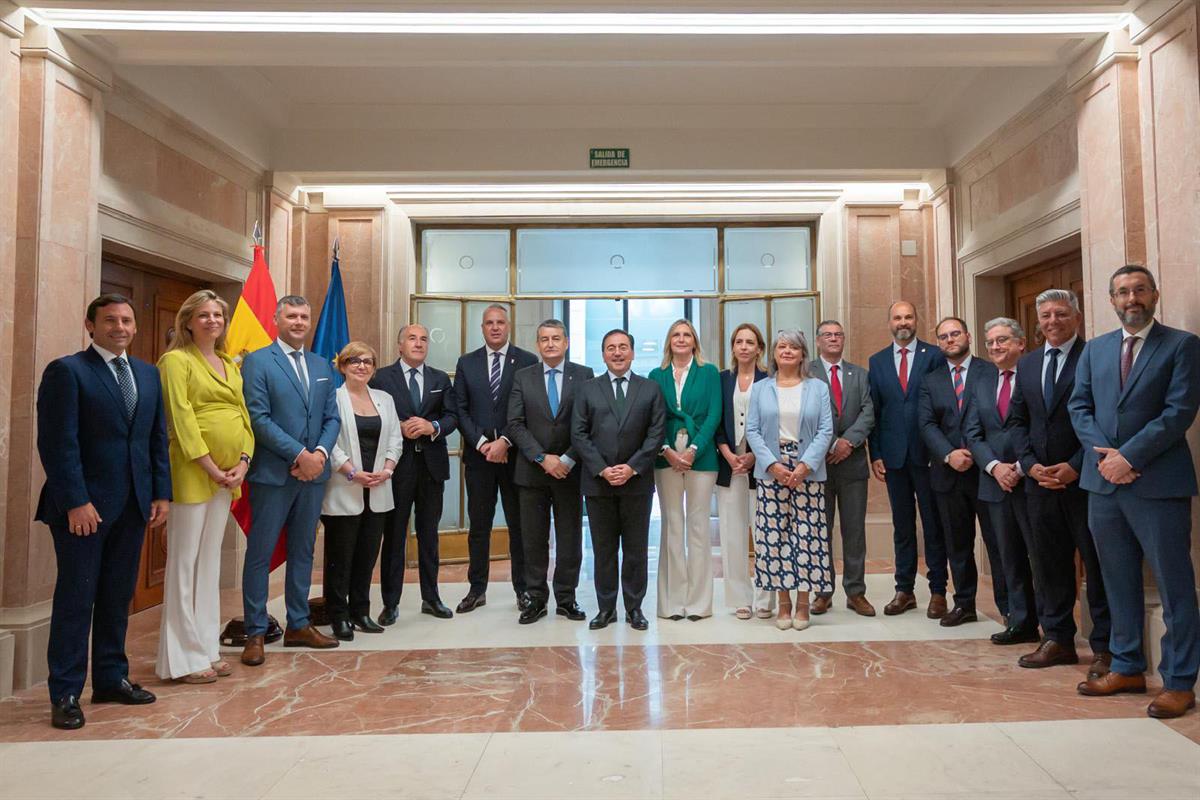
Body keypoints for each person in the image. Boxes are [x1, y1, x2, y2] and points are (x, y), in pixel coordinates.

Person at [1070, 265, 1200, 719]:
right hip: (1102, 486)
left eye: (1139, 290)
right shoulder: (1096, 350)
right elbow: (1079, 406)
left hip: (1158, 483)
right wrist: (1106, 458)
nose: (1131, 298)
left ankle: (1180, 680)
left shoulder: (1182, 345)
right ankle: (1126, 665)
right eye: (1123, 292)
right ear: (1111, 300)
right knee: (1115, 578)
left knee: (1174, 584)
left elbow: (1178, 410)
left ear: (1154, 294)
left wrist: (1130, 457)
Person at [36, 294, 171, 730]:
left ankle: (112, 678)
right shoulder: (68, 372)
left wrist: (159, 493)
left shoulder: (148, 375)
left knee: (117, 597)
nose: (120, 327)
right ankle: (66, 691)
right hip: (83, 509)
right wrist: (75, 500)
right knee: (77, 599)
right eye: (110, 320)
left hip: (133, 505)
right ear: (90, 325)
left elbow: (155, 440)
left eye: (127, 320)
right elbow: (58, 444)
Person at [1007, 289, 1111, 677]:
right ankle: (1058, 638)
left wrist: (1076, 465)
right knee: (1049, 565)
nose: (1053, 321)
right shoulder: (1029, 363)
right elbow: (1019, 421)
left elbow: (1104, 419)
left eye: (1061, 314)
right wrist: (1030, 465)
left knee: (1097, 566)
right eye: (1046, 315)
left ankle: (1104, 646)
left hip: (1084, 483)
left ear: (1077, 318)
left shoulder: (1095, 357)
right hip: (1039, 483)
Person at [155, 290, 253, 684]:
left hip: (230, 475)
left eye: (218, 315)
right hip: (194, 471)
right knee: (184, 563)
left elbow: (244, 417)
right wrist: (212, 467)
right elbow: (180, 419)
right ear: (188, 321)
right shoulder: (175, 361)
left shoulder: (230, 362)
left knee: (210, 562)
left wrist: (243, 462)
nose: (213, 320)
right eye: (204, 315)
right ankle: (181, 658)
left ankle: (207, 647)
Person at [239, 295, 341, 666]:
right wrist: (300, 455)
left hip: (313, 476)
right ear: (276, 318)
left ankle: (298, 623)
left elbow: (333, 418)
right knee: (260, 554)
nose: (298, 322)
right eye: (291, 316)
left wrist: (320, 456)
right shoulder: (258, 362)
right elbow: (258, 417)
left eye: (304, 316)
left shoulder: (320, 365)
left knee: (303, 551)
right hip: (273, 475)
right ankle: (255, 631)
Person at [571, 329, 667, 631]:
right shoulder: (587, 389)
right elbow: (579, 433)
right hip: (598, 483)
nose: (617, 353)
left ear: (633, 353)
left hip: (636, 482)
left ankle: (634, 608)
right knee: (603, 549)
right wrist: (602, 468)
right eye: (610, 348)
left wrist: (632, 467)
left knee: (636, 549)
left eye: (623, 347)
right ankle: (606, 608)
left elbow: (656, 434)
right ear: (603, 355)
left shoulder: (649, 389)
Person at [918, 317, 1006, 627]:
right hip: (949, 474)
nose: (950, 340)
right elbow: (927, 424)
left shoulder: (990, 370)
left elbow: (999, 415)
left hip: (987, 471)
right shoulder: (931, 380)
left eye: (955, 334)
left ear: (968, 336)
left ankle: (1009, 608)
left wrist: (977, 453)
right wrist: (948, 454)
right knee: (958, 544)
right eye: (943, 337)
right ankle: (965, 603)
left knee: (998, 542)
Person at [506, 319, 595, 624]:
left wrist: (567, 459)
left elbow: (587, 423)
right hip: (532, 471)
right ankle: (535, 598)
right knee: (533, 538)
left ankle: (567, 599)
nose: (550, 344)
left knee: (570, 537)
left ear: (566, 342)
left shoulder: (584, 375)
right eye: (544, 339)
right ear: (538, 344)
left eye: (556, 338)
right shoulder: (523, 377)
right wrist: (543, 458)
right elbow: (515, 424)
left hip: (570, 472)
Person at [746, 329, 834, 631]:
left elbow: (825, 430)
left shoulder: (818, 388)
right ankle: (783, 603)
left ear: (802, 354)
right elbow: (752, 431)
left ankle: (803, 604)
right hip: (772, 469)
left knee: (807, 538)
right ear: (773, 353)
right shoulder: (761, 388)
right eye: (781, 346)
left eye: (793, 347)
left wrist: (805, 465)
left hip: (807, 469)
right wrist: (772, 465)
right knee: (774, 538)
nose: (787, 351)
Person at [453, 304, 539, 614]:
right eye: (489, 323)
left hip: (515, 459)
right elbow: (459, 409)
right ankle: (477, 589)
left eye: (500, 322)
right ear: (482, 328)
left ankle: (524, 589)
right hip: (479, 461)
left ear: (509, 325)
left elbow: (531, 410)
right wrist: (482, 443)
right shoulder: (467, 363)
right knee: (479, 527)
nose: (495, 328)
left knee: (519, 527)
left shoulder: (528, 362)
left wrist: (503, 440)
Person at [371, 324, 459, 623]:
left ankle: (431, 598)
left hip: (431, 468)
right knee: (394, 535)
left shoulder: (439, 379)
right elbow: (373, 414)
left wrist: (432, 427)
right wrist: (400, 426)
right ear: (400, 346)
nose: (418, 343)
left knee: (429, 535)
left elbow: (452, 417)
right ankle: (391, 603)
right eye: (412, 338)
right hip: (396, 468)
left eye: (423, 339)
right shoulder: (382, 377)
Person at [867, 301, 948, 618]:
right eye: (898, 317)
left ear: (917, 320)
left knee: (933, 525)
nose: (903, 322)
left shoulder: (935, 356)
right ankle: (904, 591)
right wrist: (876, 454)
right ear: (889, 322)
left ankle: (939, 591)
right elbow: (875, 411)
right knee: (902, 526)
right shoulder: (878, 361)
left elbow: (943, 406)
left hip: (928, 455)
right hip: (894, 457)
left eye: (909, 316)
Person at [963, 318, 1039, 646]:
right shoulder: (981, 384)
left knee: (1042, 557)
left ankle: (1054, 625)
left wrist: (1020, 467)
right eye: (991, 341)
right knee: (1009, 557)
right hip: (995, 484)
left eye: (1003, 340)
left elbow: (1042, 430)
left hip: (1033, 481)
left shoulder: (1036, 379)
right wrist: (995, 467)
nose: (995, 347)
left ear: (1021, 344)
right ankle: (1020, 622)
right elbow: (973, 433)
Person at [320, 342, 403, 640]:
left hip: (379, 488)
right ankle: (338, 615)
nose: (362, 366)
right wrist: (352, 472)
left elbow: (395, 439)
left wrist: (388, 469)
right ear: (342, 366)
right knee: (340, 558)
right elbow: (327, 441)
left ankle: (361, 610)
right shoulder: (333, 397)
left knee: (368, 556)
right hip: (344, 488)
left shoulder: (385, 399)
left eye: (368, 361)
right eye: (354, 361)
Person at [649, 319, 722, 621]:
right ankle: (671, 602)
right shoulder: (657, 375)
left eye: (686, 334)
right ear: (669, 342)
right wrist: (667, 450)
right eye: (675, 335)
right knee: (672, 526)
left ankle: (699, 604)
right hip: (665, 458)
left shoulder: (709, 373)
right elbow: (652, 417)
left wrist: (693, 450)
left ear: (694, 341)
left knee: (698, 528)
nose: (681, 339)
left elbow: (714, 414)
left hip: (701, 460)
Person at [808, 319, 876, 617]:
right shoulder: (805, 372)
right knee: (820, 530)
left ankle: (855, 592)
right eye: (828, 335)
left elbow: (869, 411)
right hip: (817, 465)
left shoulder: (859, 374)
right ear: (818, 340)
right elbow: (803, 416)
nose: (834, 339)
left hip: (853, 464)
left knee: (854, 531)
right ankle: (823, 591)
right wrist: (830, 443)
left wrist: (847, 442)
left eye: (838, 335)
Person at [715, 323, 774, 619]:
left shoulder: (769, 380)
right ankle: (740, 598)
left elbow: (773, 425)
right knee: (732, 534)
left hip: (761, 468)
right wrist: (727, 454)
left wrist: (754, 456)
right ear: (733, 347)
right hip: (728, 468)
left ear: (759, 348)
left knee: (764, 533)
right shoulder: (722, 379)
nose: (744, 346)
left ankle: (765, 600)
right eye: (739, 341)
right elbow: (715, 420)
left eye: (750, 342)